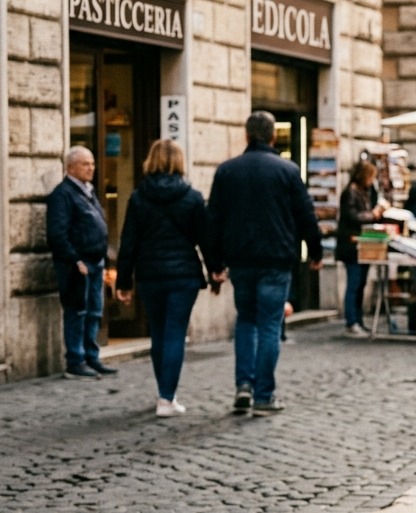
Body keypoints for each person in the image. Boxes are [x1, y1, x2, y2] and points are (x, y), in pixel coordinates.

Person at [207, 111, 324, 417]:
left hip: (241, 260)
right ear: (273, 137)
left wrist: (214, 263)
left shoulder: (227, 171)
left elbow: (213, 220)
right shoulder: (287, 170)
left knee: (246, 321)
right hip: (276, 260)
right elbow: (305, 215)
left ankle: (243, 386)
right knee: (270, 325)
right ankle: (263, 395)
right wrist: (316, 252)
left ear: (246, 136)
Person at [114, 140, 215, 415]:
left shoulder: (138, 197)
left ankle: (164, 395)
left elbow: (129, 242)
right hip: (183, 275)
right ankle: (166, 398)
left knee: (159, 333)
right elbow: (206, 239)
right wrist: (216, 271)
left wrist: (123, 281)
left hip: (149, 274)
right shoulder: (192, 197)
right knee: (174, 334)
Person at [47, 145, 117, 379]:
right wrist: (74, 259)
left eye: (92, 164)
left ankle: (91, 357)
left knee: (94, 311)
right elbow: (57, 233)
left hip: (95, 262)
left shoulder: (88, 191)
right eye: (85, 164)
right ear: (70, 167)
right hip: (77, 265)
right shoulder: (63, 193)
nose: (91, 168)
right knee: (77, 311)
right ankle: (75, 361)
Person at [336, 162, 385, 338]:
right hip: (352, 245)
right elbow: (352, 216)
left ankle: (358, 320)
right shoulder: (351, 192)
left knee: (360, 284)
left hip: (361, 245)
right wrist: (373, 214)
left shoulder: (364, 191)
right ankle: (352, 322)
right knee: (354, 283)